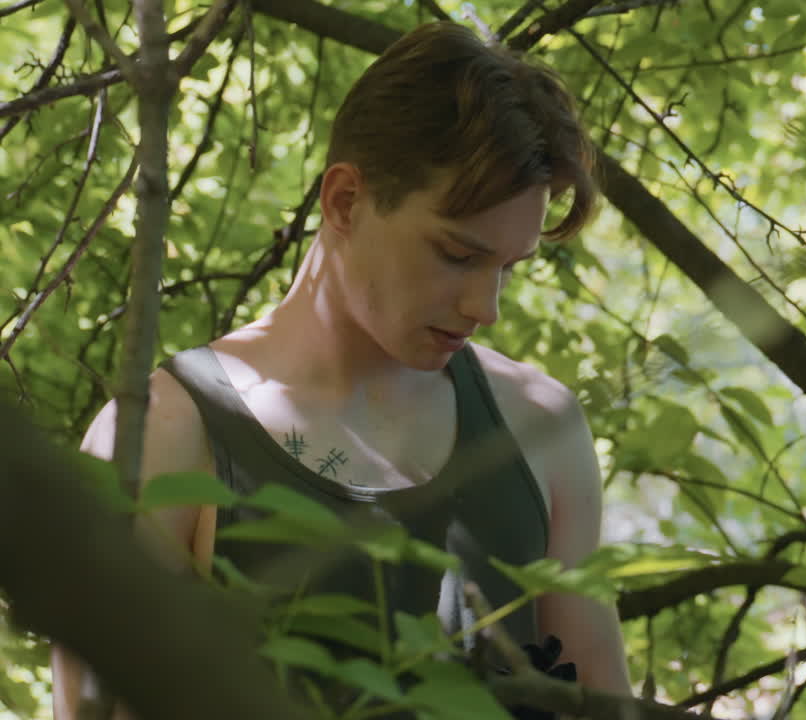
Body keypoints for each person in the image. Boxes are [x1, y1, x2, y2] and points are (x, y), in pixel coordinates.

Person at [53, 21, 630, 718]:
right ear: (345, 201)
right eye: (457, 255)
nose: (487, 307)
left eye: (509, 268)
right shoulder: (162, 433)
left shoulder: (539, 426)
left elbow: (605, 704)